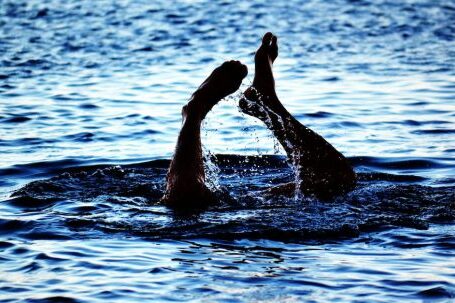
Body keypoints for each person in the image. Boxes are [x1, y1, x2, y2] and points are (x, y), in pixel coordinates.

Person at [161, 33, 356, 208]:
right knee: (185, 196)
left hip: (231, 215)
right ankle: (194, 111)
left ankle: (267, 104)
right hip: (211, 224)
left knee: (338, 180)